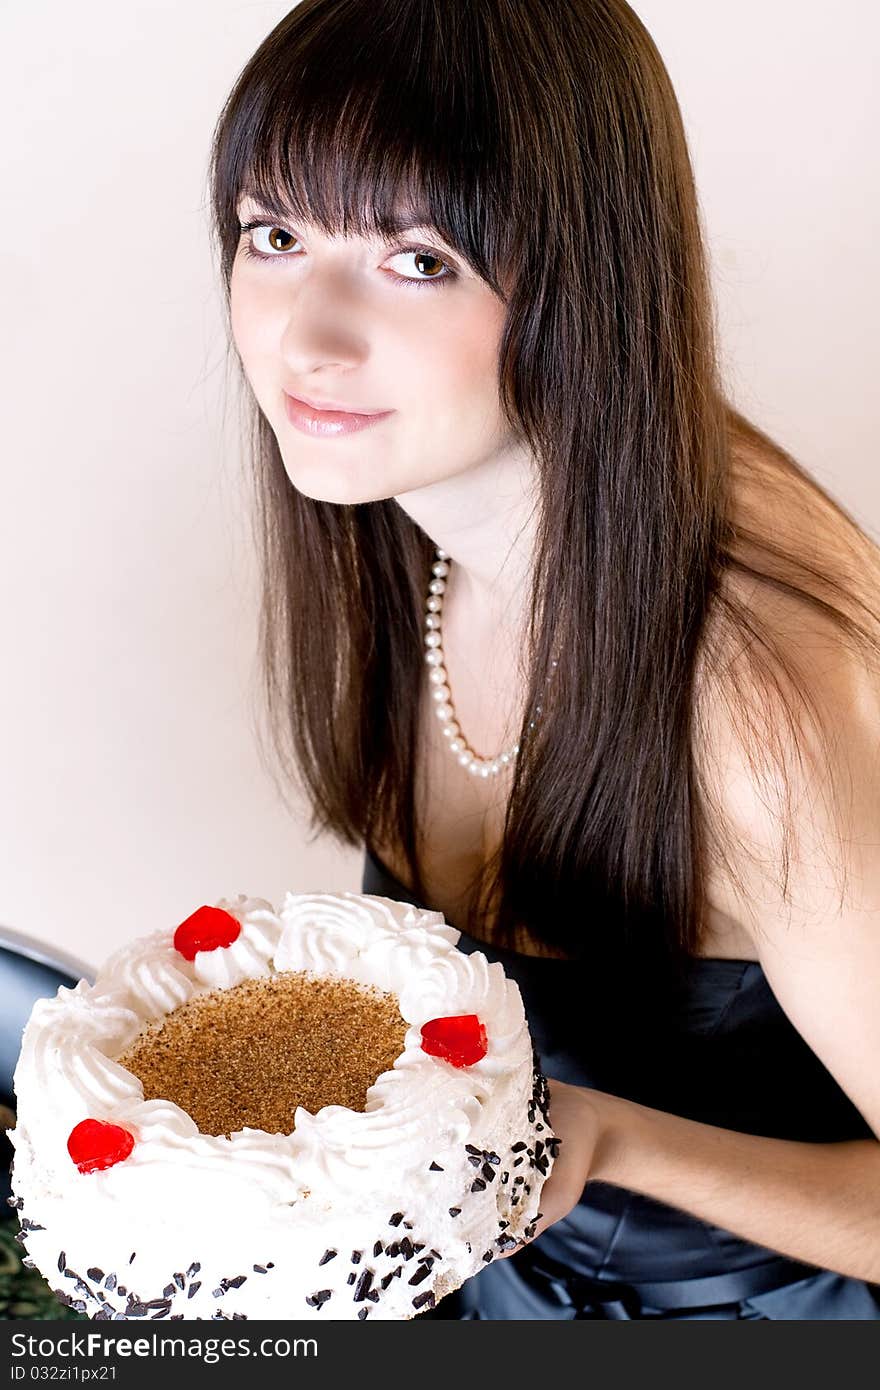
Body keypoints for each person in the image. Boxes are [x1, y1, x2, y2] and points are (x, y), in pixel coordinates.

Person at [206, 0, 880, 1317]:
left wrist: (621, 1139)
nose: (309, 337)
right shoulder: (408, 501)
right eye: (276, 235)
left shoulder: (757, 708)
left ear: (586, 276)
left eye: (419, 260)